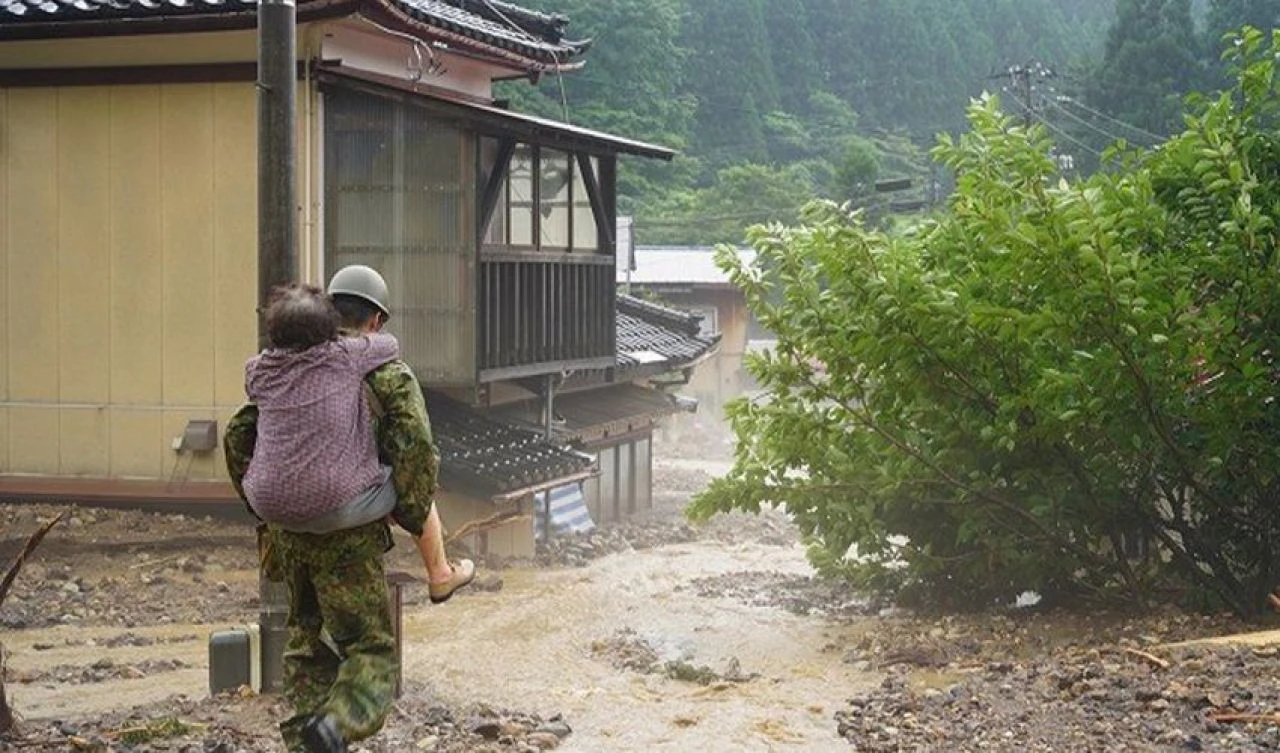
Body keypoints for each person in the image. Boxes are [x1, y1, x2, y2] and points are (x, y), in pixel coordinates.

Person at [224, 268, 472, 753]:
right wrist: (414, 511)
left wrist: (263, 512)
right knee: (369, 647)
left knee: (306, 643)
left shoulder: (274, 370)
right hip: (348, 527)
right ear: (376, 319)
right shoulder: (380, 371)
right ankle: (337, 724)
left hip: (286, 530)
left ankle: (306, 741)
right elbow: (417, 447)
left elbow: (239, 435)